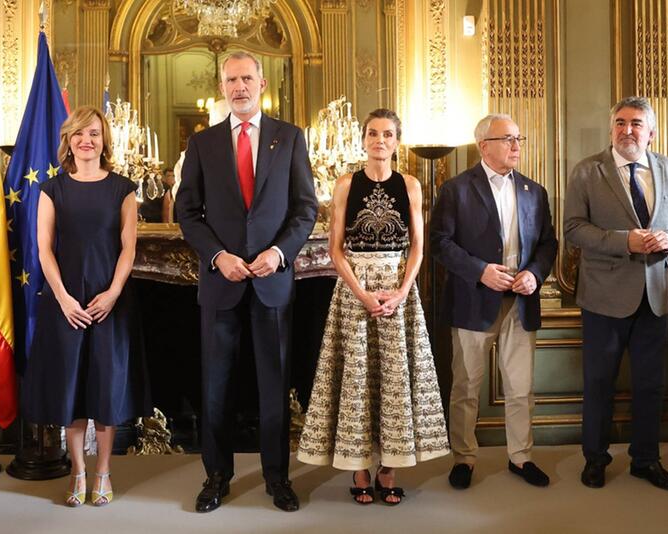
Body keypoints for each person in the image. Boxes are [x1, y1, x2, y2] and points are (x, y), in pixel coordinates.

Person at [176, 50, 318, 513]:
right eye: (231, 80)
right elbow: (187, 213)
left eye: (247, 78)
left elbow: (304, 209)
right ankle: (216, 476)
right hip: (222, 282)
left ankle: (277, 476)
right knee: (216, 384)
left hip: (272, 282)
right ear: (222, 87)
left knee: (274, 384)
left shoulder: (290, 138)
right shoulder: (203, 144)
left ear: (262, 83)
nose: (239, 87)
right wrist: (218, 256)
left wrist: (278, 254)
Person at [296, 109, 449, 505]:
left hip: (399, 291)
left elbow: (418, 246)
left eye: (387, 134)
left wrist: (400, 291)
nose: (379, 140)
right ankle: (359, 466)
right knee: (357, 378)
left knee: (394, 378)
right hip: (354, 292)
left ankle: (389, 468)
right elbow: (334, 249)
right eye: (372, 133)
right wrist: (362, 294)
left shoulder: (411, 185)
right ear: (363, 140)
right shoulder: (346, 183)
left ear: (397, 142)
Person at [21, 106, 149, 507]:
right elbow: (43, 248)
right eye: (79, 134)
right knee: (72, 392)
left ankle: (104, 473)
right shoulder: (52, 188)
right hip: (66, 302)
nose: (86, 140)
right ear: (68, 140)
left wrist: (112, 292)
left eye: (93, 133)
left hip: (111, 301)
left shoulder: (123, 188)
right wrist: (62, 297)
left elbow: (129, 247)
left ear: (103, 140)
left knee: (106, 392)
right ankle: (78, 472)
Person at [564, 96, 668, 491]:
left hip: (655, 296)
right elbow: (572, 229)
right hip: (603, 297)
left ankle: (645, 460)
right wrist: (625, 241)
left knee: (650, 385)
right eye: (620, 122)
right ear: (611, 129)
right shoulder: (587, 171)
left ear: (650, 132)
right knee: (599, 383)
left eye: (636, 123)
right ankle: (596, 459)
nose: (627, 130)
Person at [430, 113, 558, 490]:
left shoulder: (535, 191)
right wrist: (479, 271)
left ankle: (521, 457)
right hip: (473, 299)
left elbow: (548, 244)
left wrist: (534, 273)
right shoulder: (456, 189)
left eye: (519, 138)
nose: (516, 145)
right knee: (466, 386)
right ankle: (464, 459)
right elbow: (439, 242)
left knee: (520, 388)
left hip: (520, 302)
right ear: (484, 146)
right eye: (508, 139)